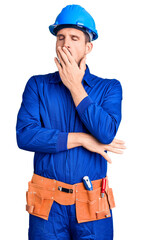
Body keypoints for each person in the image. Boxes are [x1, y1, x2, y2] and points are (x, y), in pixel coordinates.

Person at [16, 4, 126, 240]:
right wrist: (83, 139)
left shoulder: (109, 88)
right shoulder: (37, 85)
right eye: (61, 37)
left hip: (92, 205)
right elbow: (25, 135)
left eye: (74, 38)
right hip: (47, 206)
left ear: (88, 46)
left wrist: (76, 87)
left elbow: (106, 133)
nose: (65, 43)